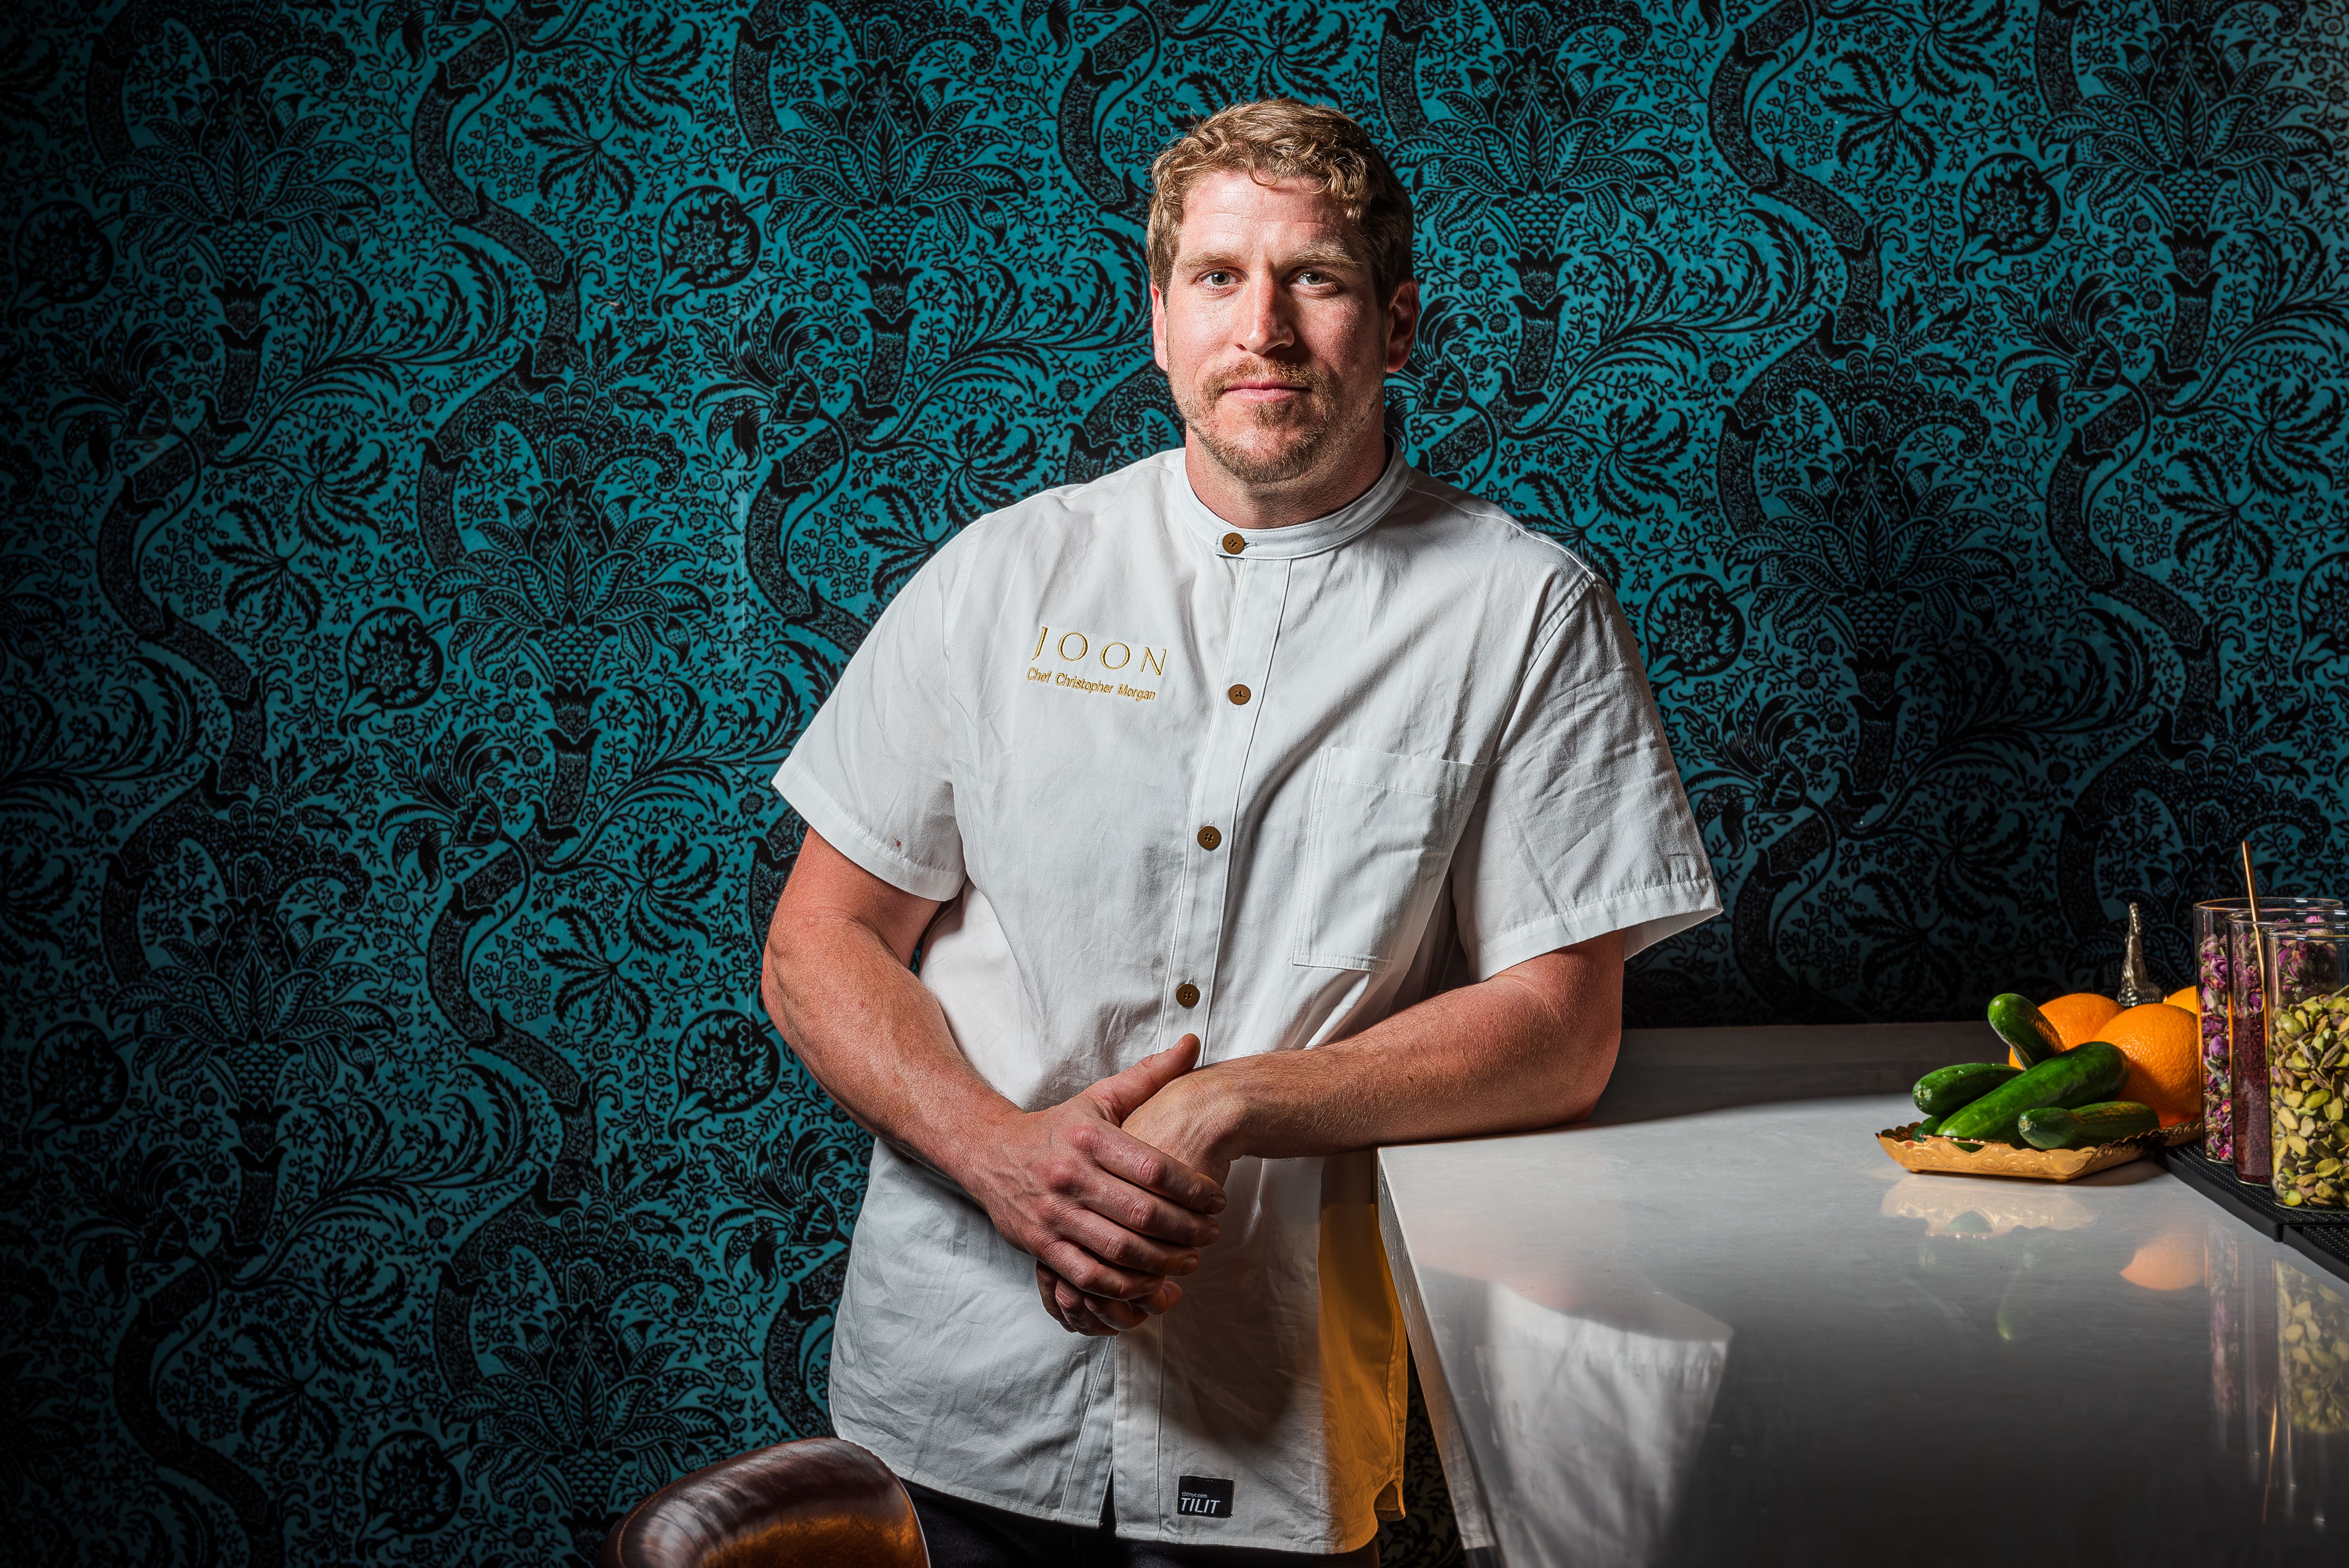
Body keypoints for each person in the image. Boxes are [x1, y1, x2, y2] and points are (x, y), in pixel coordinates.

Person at [760, 97, 1720, 1565]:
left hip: (1276, 1411)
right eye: (1217, 277)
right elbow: (818, 941)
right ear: (1159, 320)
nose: (1261, 327)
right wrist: (1004, 1154)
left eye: (1314, 279)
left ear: (1398, 323)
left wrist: (1229, 1101)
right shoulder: (1001, 577)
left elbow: (1560, 1027)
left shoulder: (1525, 611)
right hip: (954, 1385)